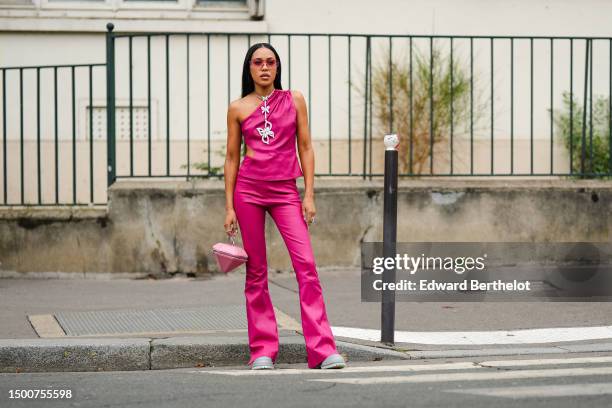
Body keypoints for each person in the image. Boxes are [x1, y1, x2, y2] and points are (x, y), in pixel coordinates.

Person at [223, 42, 346, 370]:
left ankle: (322, 350)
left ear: (277, 67)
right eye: (258, 62)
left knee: (306, 265)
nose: (264, 67)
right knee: (256, 272)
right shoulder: (237, 108)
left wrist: (309, 194)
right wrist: (229, 207)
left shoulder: (294, 99)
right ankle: (262, 350)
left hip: (286, 193)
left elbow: (305, 146)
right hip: (247, 193)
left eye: (271, 62)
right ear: (249, 69)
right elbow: (233, 157)